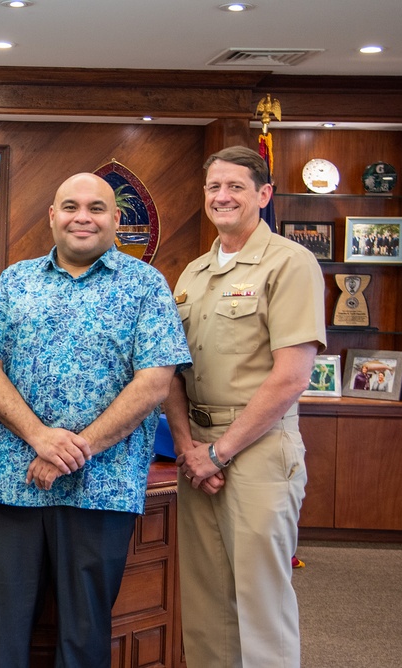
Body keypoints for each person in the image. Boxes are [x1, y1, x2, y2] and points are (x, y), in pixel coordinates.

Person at [0, 173, 191, 668]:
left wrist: (73, 450)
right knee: (2, 635)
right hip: (11, 485)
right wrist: (41, 438)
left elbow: (154, 383)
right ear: (52, 216)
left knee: (84, 638)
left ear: (115, 220)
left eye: (96, 207)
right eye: (70, 206)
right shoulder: (14, 280)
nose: (82, 216)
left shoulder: (145, 285)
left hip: (101, 487)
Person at [165, 145, 326, 668]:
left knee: (260, 599)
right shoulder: (193, 273)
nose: (222, 196)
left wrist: (221, 452)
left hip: (257, 448)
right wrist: (191, 449)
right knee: (206, 601)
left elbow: (290, 377)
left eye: (235, 186)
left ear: (263, 194)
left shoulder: (290, 262)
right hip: (198, 450)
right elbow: (171, 372)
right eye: (214, 187)